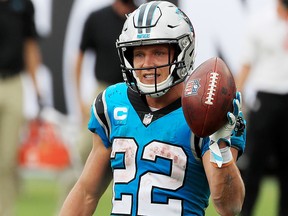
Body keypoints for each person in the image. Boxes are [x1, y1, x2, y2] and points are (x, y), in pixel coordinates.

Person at [60, 1, 246, 215]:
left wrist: (220, 147)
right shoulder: (112, 103)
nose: (147, 63)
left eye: (158, 52)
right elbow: (86, 192)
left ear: (182, 52)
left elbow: (229, 207)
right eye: (138, 54)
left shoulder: (204, 110)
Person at [74, 0, 147, 162]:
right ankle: (76, 186)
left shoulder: (144, 18)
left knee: (136, 151)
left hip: (139, 91)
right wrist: (79, 99)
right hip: (104, 91)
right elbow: (79, 57)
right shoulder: (97, 18)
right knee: (85, 150)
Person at [236, 0, 288, 215]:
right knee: (255, 164)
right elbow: (247, 64)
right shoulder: (259, 22)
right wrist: (234, 102)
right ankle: (245, 211)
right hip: (265, 99)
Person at [0, 0, 41, 215]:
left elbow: (30, 45)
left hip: (14, 82)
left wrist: (37, 88)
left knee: (6, 159)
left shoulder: (24, 4)